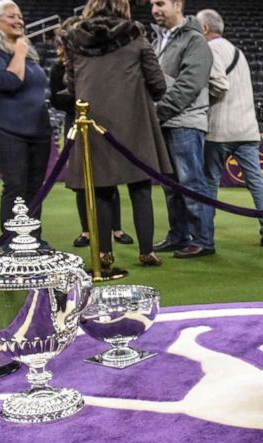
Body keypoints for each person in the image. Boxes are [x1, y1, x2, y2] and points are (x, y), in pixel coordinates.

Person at [65, 0, 172, 268]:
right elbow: (157, 81)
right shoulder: (135, 35)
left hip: (93, 121)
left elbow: (71, 84)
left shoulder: (75, 38)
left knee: (101, 189)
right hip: (134, 120)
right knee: (140, 188)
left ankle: (103, 254)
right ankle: (147, 250)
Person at [197, 9, 263, 250]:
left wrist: (202, 99)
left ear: (205, 29)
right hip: (247, 129)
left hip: (220, 130)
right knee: (257, 182)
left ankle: (205, 238)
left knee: (209, 183)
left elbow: (220, 85)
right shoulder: (237, 51)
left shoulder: (211, 49)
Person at [0, 0, 52, 243]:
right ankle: (10, 241)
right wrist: (18, 51)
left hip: (38, 131)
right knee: (16, 187)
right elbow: (8, 82)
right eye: (11, 16)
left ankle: (33, 240)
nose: (19, 20)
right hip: (7, 131)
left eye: (20, 16)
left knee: (35, 189)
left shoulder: (29, 55)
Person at [51, 18, 133, 250]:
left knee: (110, 176)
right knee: (80, 181)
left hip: (101, 123)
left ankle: (116, 228)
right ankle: (86, 230)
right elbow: (56, 99)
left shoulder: (97, 60)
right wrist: (81, 102)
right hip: (75, 124)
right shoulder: (60, 67)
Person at [149, 0, 215, 259]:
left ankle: (202, 239)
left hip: (185, 122)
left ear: (178, 4)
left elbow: (189, 85)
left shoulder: (195, 40)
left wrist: (157, 112)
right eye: (152, 4)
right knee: (170, 184)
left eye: (160, 3)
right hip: (166, 122)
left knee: (191, 183)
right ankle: (178, 235)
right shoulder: (158, 41)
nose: (155, 9)